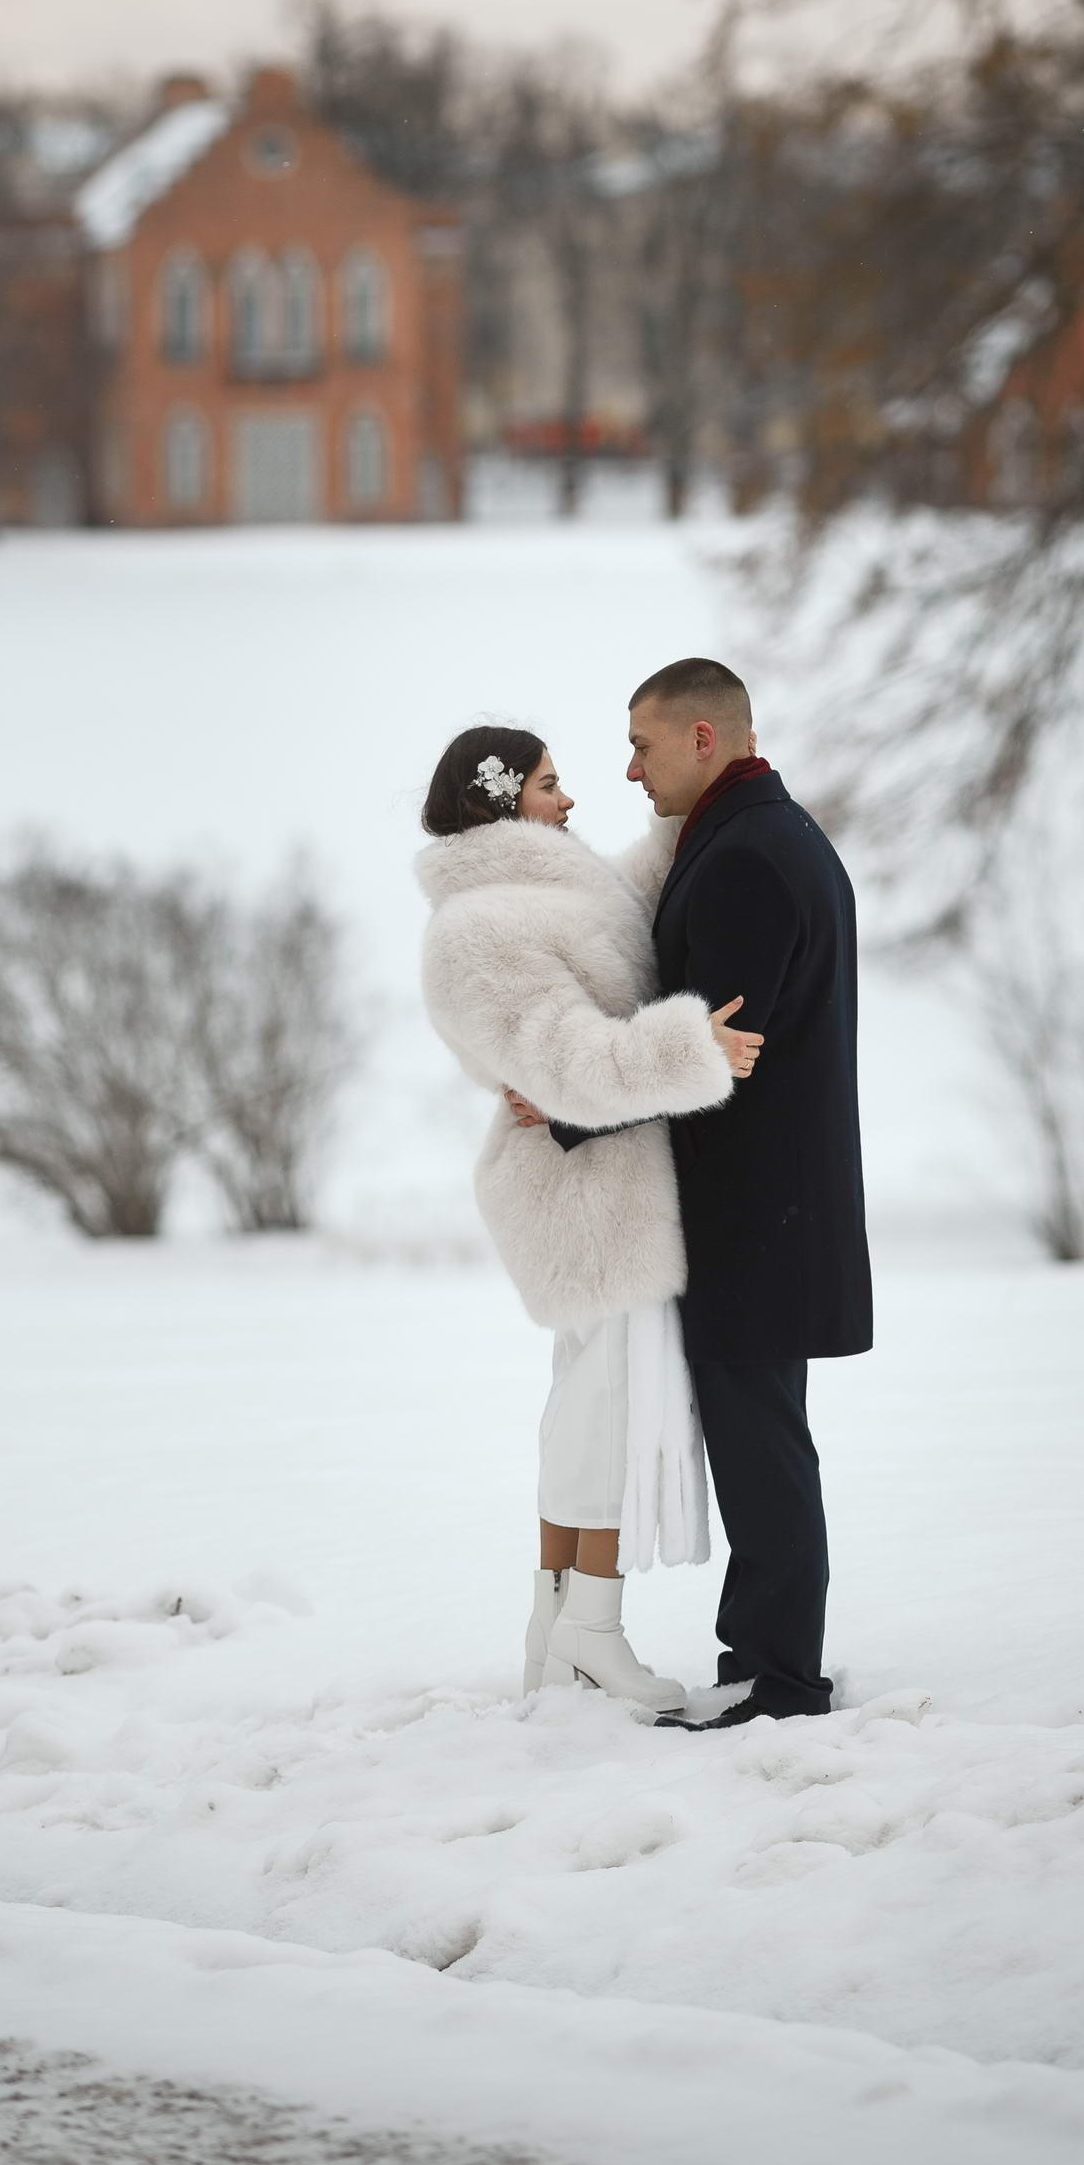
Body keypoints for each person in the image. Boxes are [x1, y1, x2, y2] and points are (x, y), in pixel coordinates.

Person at [513, 660, 871, 1729]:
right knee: (765, 1445)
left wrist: (571, 1105)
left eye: (643, 745)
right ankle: (765, 1662)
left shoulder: (750, 859)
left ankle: (776, 1677)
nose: (627, 769)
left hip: (756, 1218)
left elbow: (717, 1052)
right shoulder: (757, 838)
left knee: (762, 1454)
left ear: (705, 737)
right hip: (767, 1212)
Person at [415, 724, 763, 1709]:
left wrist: (712, 790)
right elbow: (568, 1064)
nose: (568, 800)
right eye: (546, 784)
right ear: (495, 799)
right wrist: (687, 1047)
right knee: (601, 1409)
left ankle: (556, 1624)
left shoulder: (550, 893)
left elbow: (634, 896)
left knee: (585, 1404)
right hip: (578, 1196)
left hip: (594, 1185)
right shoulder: (478, 928)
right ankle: (590, 1631)